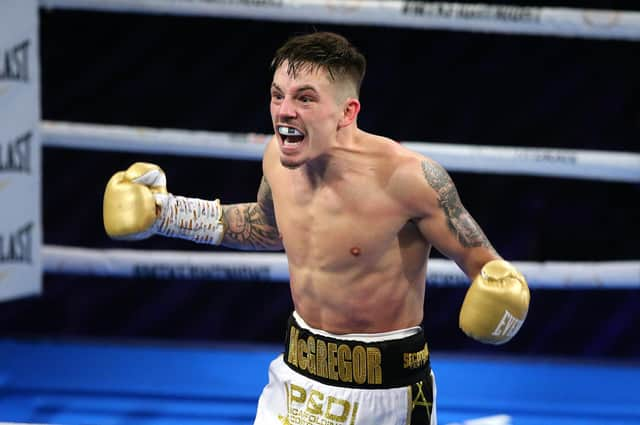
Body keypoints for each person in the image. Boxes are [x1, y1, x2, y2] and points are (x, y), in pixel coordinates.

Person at [103, 32, 530, 425]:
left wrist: (504, 294)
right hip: (296, 375)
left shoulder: (410, 179)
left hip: (385, 391)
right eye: (277, 95)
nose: (284, 111)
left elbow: (488, 268)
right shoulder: (277, 157)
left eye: (305, 98)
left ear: (348, 111)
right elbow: (269, 227)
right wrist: (169, 214)